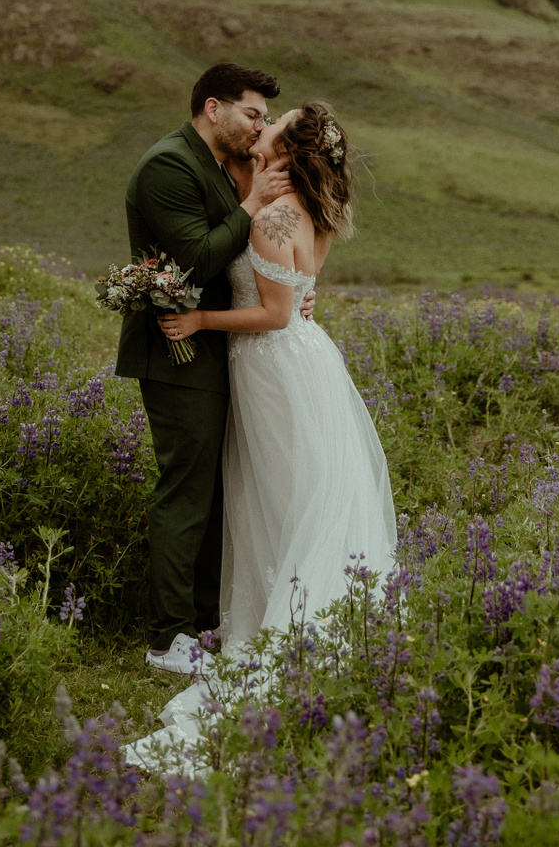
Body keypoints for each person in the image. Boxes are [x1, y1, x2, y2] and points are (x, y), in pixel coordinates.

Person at [123, 100, 396, 774]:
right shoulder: (304, 208)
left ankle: (288, 623)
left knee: (282, 495)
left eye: (276, 121)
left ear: (288, 147)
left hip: (275, 368)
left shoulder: (274, 216)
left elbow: (275, 314)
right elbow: (300, 291)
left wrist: (199, 322)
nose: (264, 124)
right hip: (295, 360)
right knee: (291, 493)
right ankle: (293, 612)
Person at [118, 63, 304, 674]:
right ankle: (166, 638)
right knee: (186, 491)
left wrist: (291, 292)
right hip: (177, 350)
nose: (258, 127)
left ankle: (205, 622)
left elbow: (252, 254)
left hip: (224, 348)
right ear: (213, 107)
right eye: (252, 114)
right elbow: (196, 259)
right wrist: (252, 202)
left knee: (219, 490)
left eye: (263, 118)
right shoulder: (168, 165)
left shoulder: (227, 163)